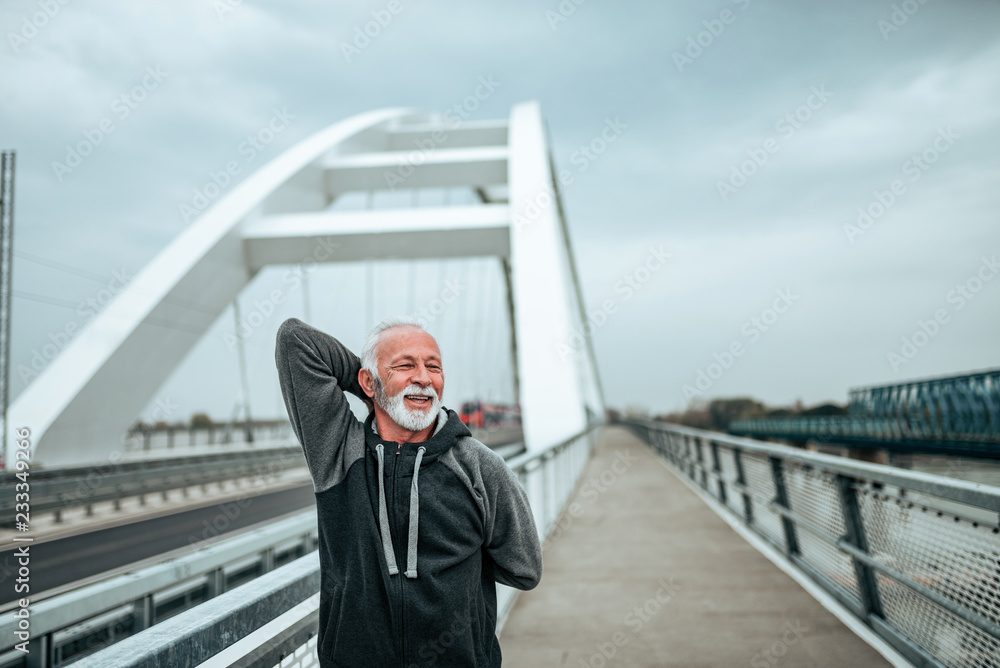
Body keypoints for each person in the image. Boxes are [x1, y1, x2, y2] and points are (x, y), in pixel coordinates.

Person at [274, 316, 542, 667]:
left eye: (434, 367)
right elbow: (296, 340)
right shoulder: (339, 451)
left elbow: (524, 568)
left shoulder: (479, 466)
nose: (424, 378)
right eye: (405, 365)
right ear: (368, 381)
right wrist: (376, 392)